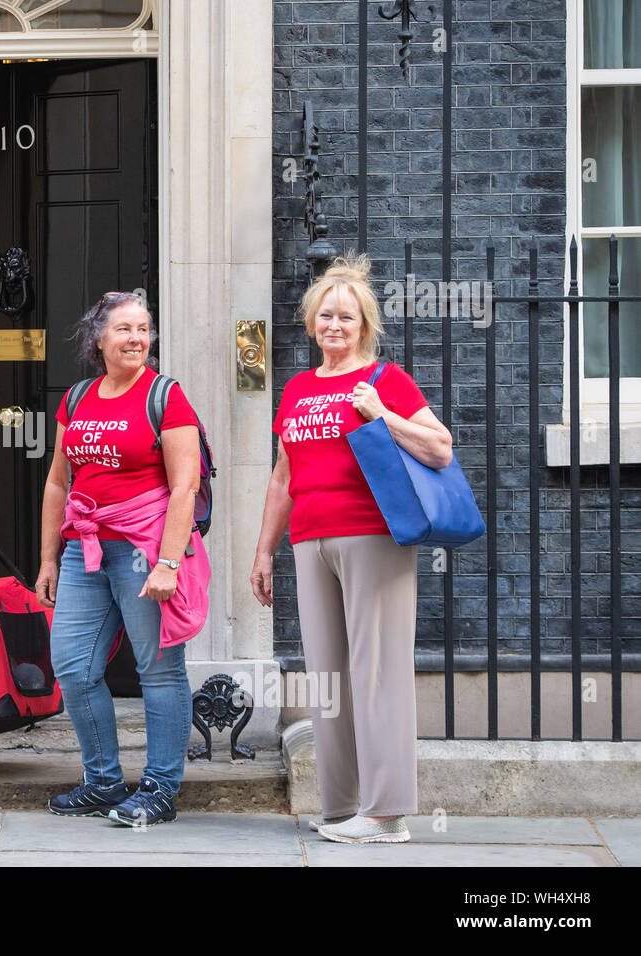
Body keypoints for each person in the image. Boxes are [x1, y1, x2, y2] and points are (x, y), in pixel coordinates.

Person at [250, 254, 453, 844]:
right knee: (329, 677)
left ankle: (387, 814)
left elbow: (439, 448)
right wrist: (264, 550)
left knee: (378, 671)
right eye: (325, 316)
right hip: (311, 540)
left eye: (347, 317)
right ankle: (341, 806)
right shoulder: (297, 389)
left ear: (366, 325)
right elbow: (284, 477)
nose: (334, 326)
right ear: (312, 323)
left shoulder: (385, 381)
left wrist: (382, 415)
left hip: (373, 536)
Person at [35, 292, 209, 827]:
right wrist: (47, 560)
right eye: (124, 329)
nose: (137, 338)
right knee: (72, 667)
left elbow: (185, 487)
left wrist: (168, 563)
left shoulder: (166, 396)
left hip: (144, 552)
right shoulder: (78, 397)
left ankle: (159, 788)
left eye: (144, 329)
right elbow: (58, 482)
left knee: (158, 671)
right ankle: (103, 781)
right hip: (84, 551)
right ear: (99, 339)